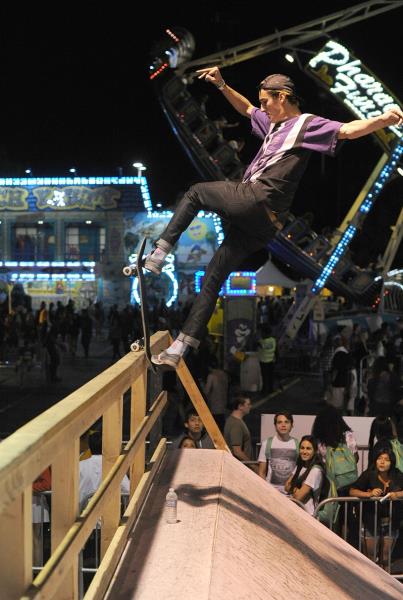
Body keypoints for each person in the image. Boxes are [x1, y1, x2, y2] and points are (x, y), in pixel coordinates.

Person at [141, 67, 403, 369]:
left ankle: (160, 253)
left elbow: (347, 130)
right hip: (263, 227)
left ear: (284, 97)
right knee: (214, 275)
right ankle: (179, 349)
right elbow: (246, 108)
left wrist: (383, 120)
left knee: (196, 192)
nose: (262, 107)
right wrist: (223, 85)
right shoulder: (273, 124)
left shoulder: (305, 124)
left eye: (267, 101)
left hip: (256, 199)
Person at [349, 444, 403, 570]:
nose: (382, 462)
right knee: (370, 558)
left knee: (386, 558)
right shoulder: (369, 474)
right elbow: (352, 491)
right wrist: (369, 494)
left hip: (390, 522)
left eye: (386, 459)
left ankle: (386, 586)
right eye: (379, 458)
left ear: (392, 462)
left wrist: (397, 494)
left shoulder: (398, 475)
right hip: (370, 522)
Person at [311, 405, 358, 493]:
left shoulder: (320, 440)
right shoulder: (348, 435)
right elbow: (355, 457)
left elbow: (320, 460)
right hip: (350, 481)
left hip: (328, 482)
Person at [258, 412, 299, 493]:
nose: (283, 425)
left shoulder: (297, 444)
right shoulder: (267, 443)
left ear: (292, 425)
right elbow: (261, 472)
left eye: (286, 422)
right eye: (279, 422)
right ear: (275, 425)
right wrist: (265, 491)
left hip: (291, 493)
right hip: (271, 492)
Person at [284, 435, 324, 515]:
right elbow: (286, 486)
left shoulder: (315, 470)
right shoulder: (301, 466)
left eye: (308, 449)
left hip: (309, 514)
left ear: (315, 451)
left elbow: (299, 497)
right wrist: (296, 490)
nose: (304, 452)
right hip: (297, 511)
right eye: (302, 448)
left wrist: (293, 489)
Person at [224, 396, 256, 469]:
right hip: (241, 467)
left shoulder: (235, 421)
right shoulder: (236, 424)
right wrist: (253, 466)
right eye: (248, 404)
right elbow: (237, 451)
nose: (250, 406)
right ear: (240, 406)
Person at [204, 357, 229, 432]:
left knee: (215, 427)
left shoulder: (211, 376)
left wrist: (202, 385)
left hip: (215, 405)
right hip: (223, 403)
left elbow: (206, 391)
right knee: (222, 425)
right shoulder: (224, 374)